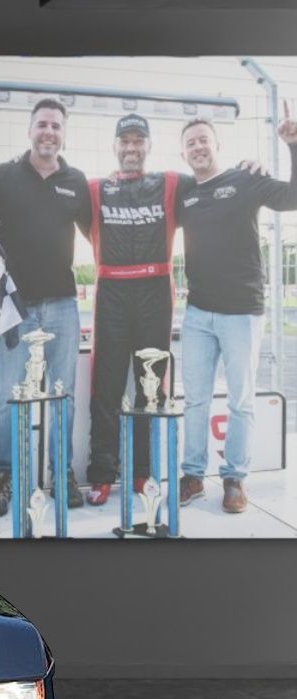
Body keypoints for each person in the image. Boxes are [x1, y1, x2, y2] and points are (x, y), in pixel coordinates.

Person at [175, 108, 297, 513]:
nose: (197, 146)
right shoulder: (184, 193)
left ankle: (234, 480)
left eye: (203, 139)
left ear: (217, 144)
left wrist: (293, 145)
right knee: (194, 400)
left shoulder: (245, 178)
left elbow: (293, 197)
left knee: (240, 401)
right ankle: (192, 476)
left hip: (242, 312)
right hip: (197, 314)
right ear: (183, 152)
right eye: (190, 142)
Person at [0, 98, 90, 518]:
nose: (49, 132)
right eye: (42, 124)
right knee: (8, 396)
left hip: (63, 303)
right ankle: (1, 474)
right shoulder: (5, 176)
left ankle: (61, 473)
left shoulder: (76, 181)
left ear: (63, 133)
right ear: (30, 129)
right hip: (15, 304)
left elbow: (100, 235)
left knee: (61, 395)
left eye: (56, 126)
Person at [81, 115, 182, 506]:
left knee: (149, 389)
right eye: (125, 141)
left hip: (156, 292)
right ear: (115, 146)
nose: (131, 148)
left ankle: (143, 472)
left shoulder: (170, 183)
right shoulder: (94, 189)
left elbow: (212, 190)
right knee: (105, 387)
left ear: (149, 146)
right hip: (112, 292)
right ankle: (103, 473)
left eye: (139, 141)